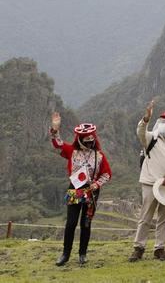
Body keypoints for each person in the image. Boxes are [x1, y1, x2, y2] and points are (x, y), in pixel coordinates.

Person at [49, 112, 112, 266]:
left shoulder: (99, 156)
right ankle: (65, 253)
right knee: (71, 223)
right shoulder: (72, 152)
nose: (90, 143)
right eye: (87, 141)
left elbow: (107, 173)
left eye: (92, 141)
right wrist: (55, 130)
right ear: (80, 140)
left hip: (91, 192)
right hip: (75, 190)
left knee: (86, 223)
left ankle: (82, 254)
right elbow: (58, 145)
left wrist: (96, 184)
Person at [129, 100, 165, 262]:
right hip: (150, 183)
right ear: (158, 123)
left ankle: (159, 248)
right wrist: (146, 119)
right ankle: (138, 248)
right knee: (145, 216)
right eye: (163, 121)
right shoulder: (150, 138)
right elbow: (140, 131)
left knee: (164, 217)